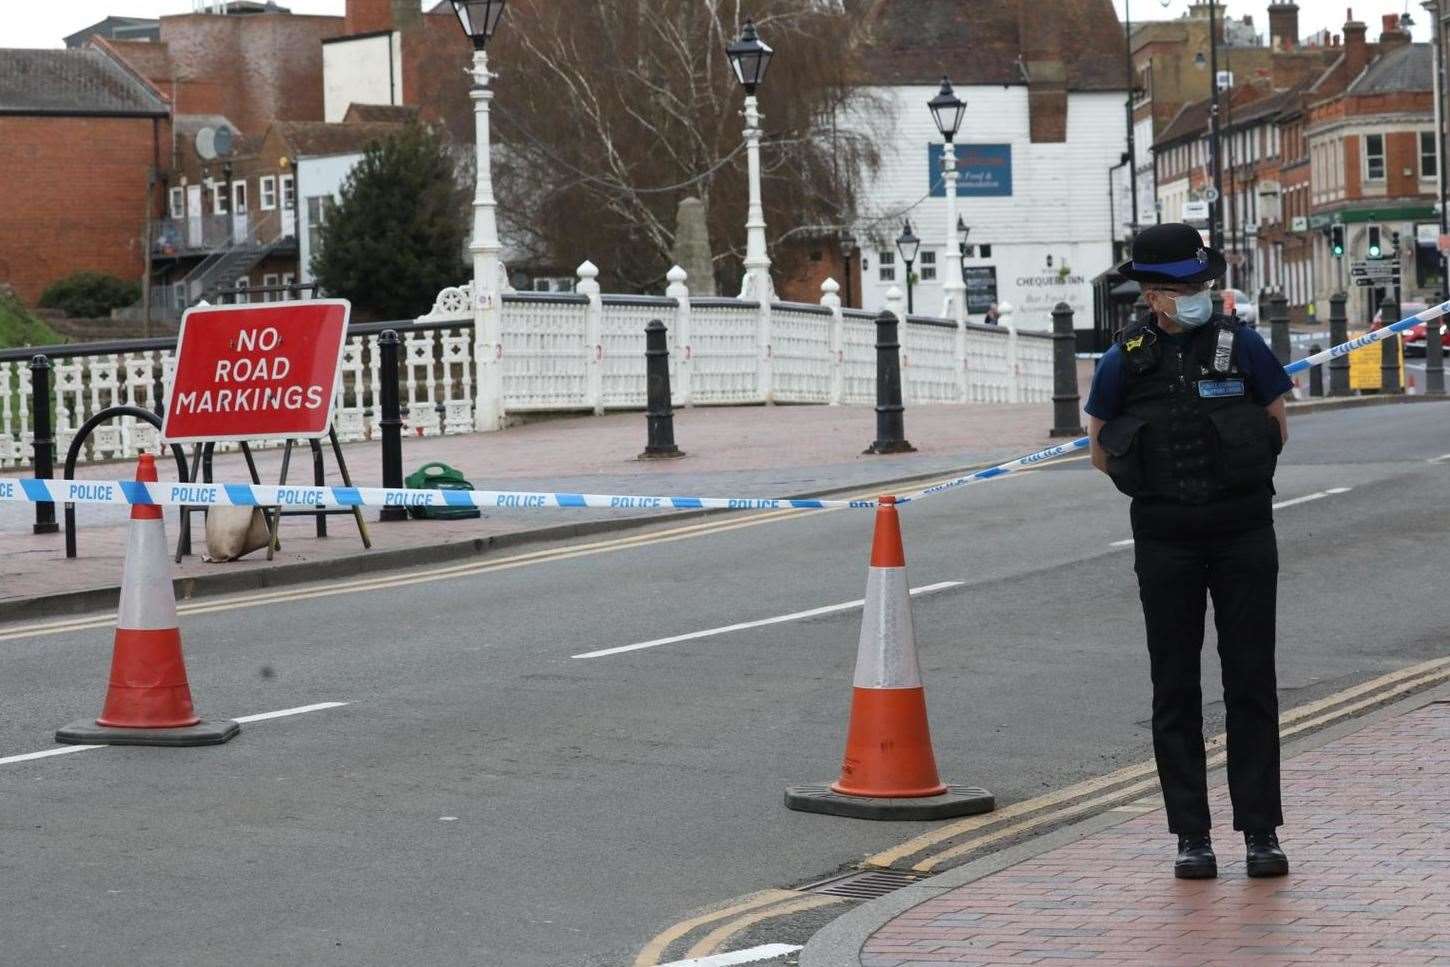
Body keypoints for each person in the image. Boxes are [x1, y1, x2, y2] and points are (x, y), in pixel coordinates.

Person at [1085, 223, 1292, 880]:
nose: (1196, 295)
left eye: (1200, 284)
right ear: (1152, 294)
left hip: (1244, 535)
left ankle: (1261, 831)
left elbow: (1278, 423)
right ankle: (1191, 837)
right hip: (1166, 540)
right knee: (1175, 687)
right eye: (1182, 287)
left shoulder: (1244, 345)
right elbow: (1099, 446)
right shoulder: (1125, 358)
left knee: (1251, 682)